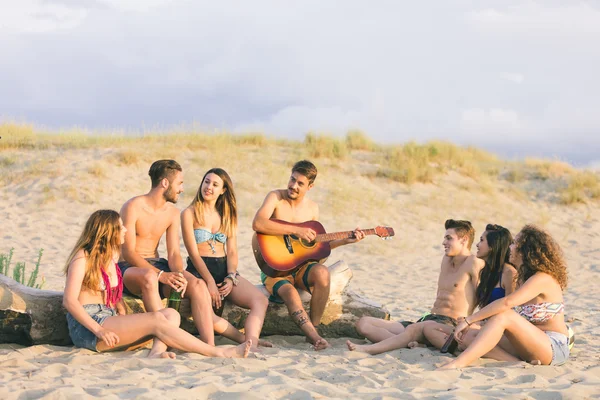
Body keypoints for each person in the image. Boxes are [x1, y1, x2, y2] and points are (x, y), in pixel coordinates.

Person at [62, 209, 251, 358]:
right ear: (107, 232)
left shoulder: (111, 257)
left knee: (170, 314)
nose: (126, 230)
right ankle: (216, 352)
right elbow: (69, 301)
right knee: (157, 320)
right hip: (90, 328)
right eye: (120, 227)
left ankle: (156, 352)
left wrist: (118, 303)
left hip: (108, 318)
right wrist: (100, 330)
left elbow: (107, 289)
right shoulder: (82, 258)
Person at [119, 159, 235, 354]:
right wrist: (160, 275)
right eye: (179, 183)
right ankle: (166, 340)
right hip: (130, 269)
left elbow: (173, 253)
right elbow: (128, 252)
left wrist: (179, 274)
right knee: (149, 278)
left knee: (196, 284)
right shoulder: (132, 206)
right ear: (165, 183)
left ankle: (209, 347)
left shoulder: (172, 213)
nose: (182, 189)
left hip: (157, 264)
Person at [252, 160, 365, 350]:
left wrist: (346, 240)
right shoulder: (275, 197)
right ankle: (314, 337)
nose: (293, 186)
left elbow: (313, 247)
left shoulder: (312, 208)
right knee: (290, 292)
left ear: (310, 186)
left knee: (322, 273)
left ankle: (314, 327)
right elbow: (258, 223)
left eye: (300, 183)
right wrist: (295, 231)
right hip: (276, 269)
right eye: (292, 179)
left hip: (300, 266)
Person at [439, 224, 569, 369]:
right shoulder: (520, 279)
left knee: (504, 315)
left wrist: (470, 320)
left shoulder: (542, 278)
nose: (510, 248)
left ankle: (459, 363)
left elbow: (507, 303)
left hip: (552, 346)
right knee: (468, 336)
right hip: (526, 345)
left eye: (514, 244)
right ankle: (515, 362)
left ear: (525, 250)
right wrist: (475, 324)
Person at [346, 219, 484, 355]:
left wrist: (474, 324)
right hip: (427, 319)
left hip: (447, 325)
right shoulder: (446, 260)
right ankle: (415, 344)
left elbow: (484, 299)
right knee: (364, 324)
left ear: (464, 240)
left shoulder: (474, 263)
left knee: (413, 330)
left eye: (449, 238)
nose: (444, 243)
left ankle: (369, 349)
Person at [182, 168, 270, 351]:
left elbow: (232, 252)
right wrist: (210, 282)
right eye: (206, 182)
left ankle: (252, 342)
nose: (209, 187)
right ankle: (242, 339)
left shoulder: (227, 215)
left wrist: (230, 277)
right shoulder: (189, 213)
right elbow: (193, 253)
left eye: (215, 184)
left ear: (223, 190)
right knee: (206, 312)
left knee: (260, 300)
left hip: (224, 269)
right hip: (200, 270)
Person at [420, 224, 518, 361]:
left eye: (482, 240)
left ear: (493, 246)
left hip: (502, 329)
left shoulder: (509, 273)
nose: (477, 245)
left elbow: (512, 309)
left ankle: (513, 361)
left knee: (465, 335)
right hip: (484, 325)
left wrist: (477, 322)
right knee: (430, 329)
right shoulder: (487, 272)